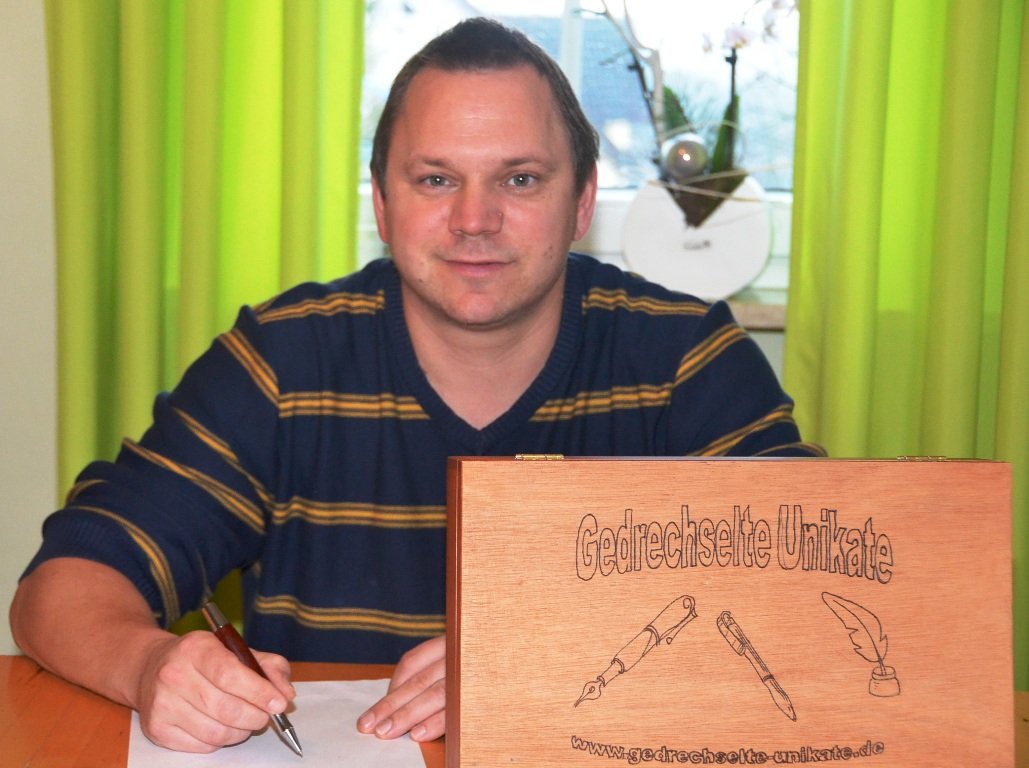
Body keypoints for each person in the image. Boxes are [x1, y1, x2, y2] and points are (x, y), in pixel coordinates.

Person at [9, 16, 824, 755]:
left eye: (519, 180)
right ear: (382, 202)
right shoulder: (282, 363)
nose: (474, 219)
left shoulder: (686, 359)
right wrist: (147, 664)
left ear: (581, 203)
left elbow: (817, 594)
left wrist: (542, 656)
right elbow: (62, 587)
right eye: (435, 179)